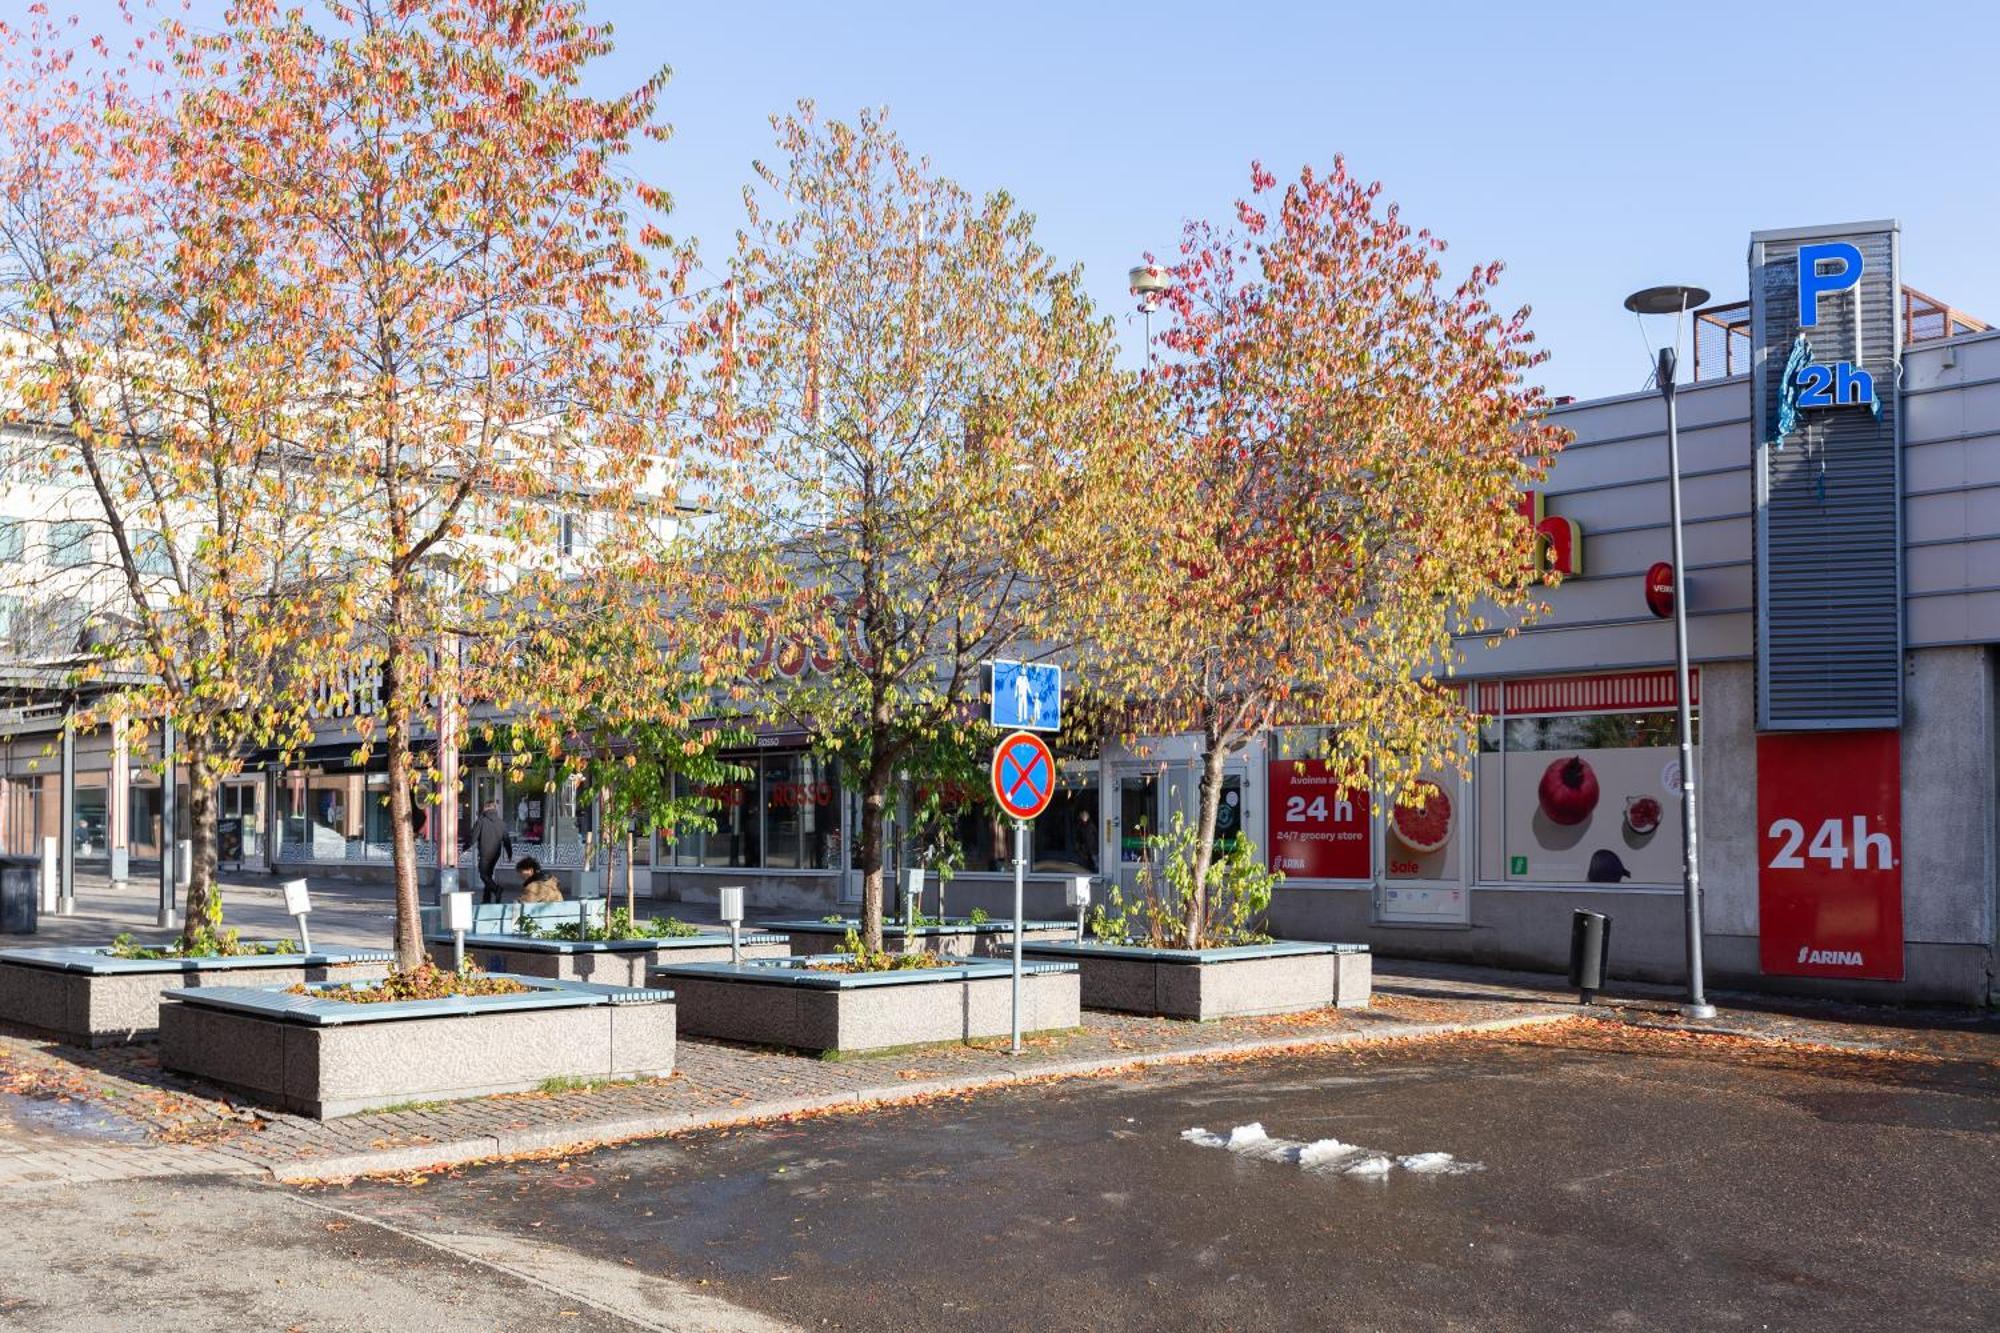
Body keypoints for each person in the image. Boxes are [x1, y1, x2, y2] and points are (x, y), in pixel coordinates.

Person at [465, 801, 513, 904]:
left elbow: (473, 837)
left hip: (485, 853)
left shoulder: (481, 821)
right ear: (494, 809)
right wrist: (509, 854)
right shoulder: (501, 823)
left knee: (483, 875)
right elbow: (507, 840)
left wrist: (465, 848)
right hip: (496, 854)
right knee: (488, 875)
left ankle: (496, 889)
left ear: (486, 808)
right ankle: (486, 899)